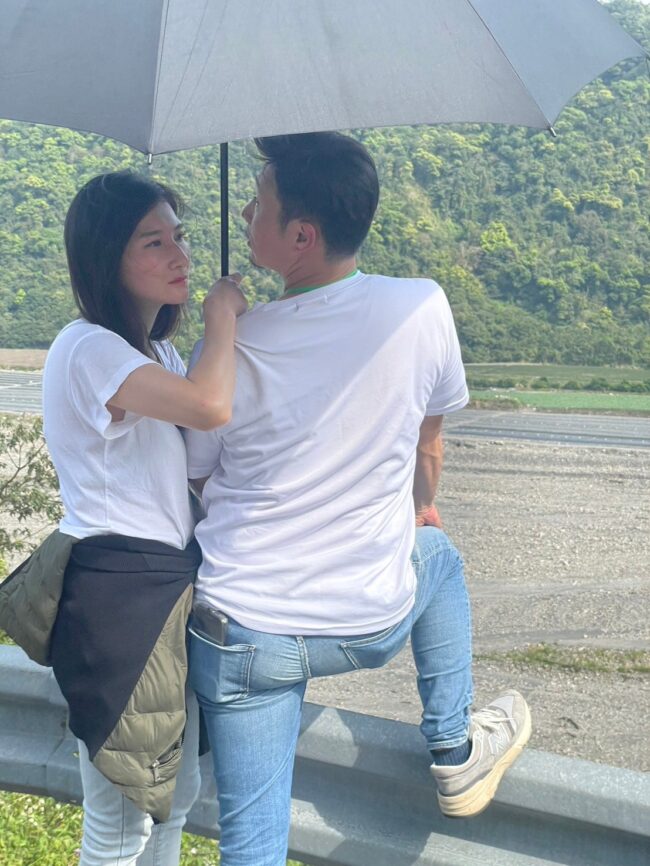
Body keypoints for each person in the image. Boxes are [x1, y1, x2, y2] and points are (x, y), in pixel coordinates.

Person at [184, 133, 531, 866]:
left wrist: (223, 322)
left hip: (241, 631)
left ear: (300, 237)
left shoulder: (229, 345)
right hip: (366, 620)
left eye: (259, 203)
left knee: (251, 842)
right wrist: (419, 508)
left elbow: (198, 477)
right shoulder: (421, 307)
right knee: (436, 552)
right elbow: (428, 447)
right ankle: (454, 749)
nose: (245, 212)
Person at [41, 170, 247, 866]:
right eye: (153, 242)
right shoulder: (89, 347)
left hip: (160, 591)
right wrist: (222, 318)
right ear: (108, 258)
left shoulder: (152, 352)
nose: (179, 255)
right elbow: (209, 408)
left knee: (175, 796)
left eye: (179, 237)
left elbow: (192, 464)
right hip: (120, 595)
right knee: (120, 825)